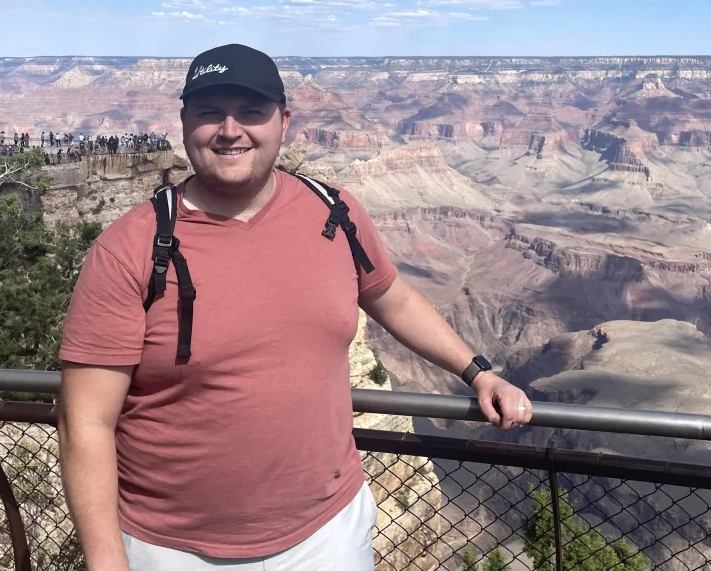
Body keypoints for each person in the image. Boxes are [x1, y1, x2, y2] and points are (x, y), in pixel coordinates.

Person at [58, 43, 532, 571]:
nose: (230, 130)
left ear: (284, 121)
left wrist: (478, 373)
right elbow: (86, 424)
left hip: (328, 535)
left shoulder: (335, 212)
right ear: (185, 121)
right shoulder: (130, 248)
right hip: (172, 549)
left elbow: (390, 296)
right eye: (211, 113)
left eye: (252, 113)